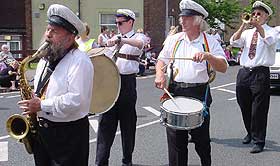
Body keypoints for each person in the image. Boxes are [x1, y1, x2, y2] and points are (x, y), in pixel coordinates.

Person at [17, 4, 94, 166]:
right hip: (43, 132)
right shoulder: (46, 58)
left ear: (70, 37)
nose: (48, 35)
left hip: (68, 136)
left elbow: (76, 100)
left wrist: (41, 104)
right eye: (48, 29)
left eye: (54, 31)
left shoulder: (79, 61)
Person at [154, 0, 228, 165]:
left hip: (198, 93)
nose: (181, 20)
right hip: (175, 91)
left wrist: (208, 56)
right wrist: (159, 74)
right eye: (181, 17)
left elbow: (223, 67)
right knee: (175, 142)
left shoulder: (209, 41)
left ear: (197, 20)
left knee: (201, 141)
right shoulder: (175, 39)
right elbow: (161, 60)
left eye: (186, 17)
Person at [95, 9, 146, 166]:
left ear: (130, 22)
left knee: (128, 125)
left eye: (120, 23)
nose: (117, 26)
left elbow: (140, 44)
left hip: (127, 83)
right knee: (105, 126)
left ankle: (127, 161)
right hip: (110, 83)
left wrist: (122, 40)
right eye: (116, 23)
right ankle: (101, 162)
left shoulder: (138, 37)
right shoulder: (113, 38)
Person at [230, 1, 278, 154]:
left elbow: (269, 41)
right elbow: (233, 42)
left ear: (266, 17)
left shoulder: (273, 30)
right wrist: (243, 25)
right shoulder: (247, 32)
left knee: (259, 109)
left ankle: (259, 140)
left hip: (260, 72)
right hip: (244, 72)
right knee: (244, 105)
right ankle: (250, 132)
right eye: (254, 13)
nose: (255, 16)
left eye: (259, 14)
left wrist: (258, 27)